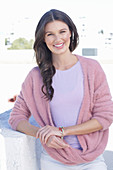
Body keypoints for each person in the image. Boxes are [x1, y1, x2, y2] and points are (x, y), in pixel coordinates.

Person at [9, 9, 113, 170]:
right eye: (50, 34)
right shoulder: (35, 77)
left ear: (70, 32)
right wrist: (42, 134)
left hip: (91, 160)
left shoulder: (92, 68)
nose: (57, 39)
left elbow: (105, 117)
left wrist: (61, 131)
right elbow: (16, 118)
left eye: (62, 31)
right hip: (53, 161)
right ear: (43, 38)